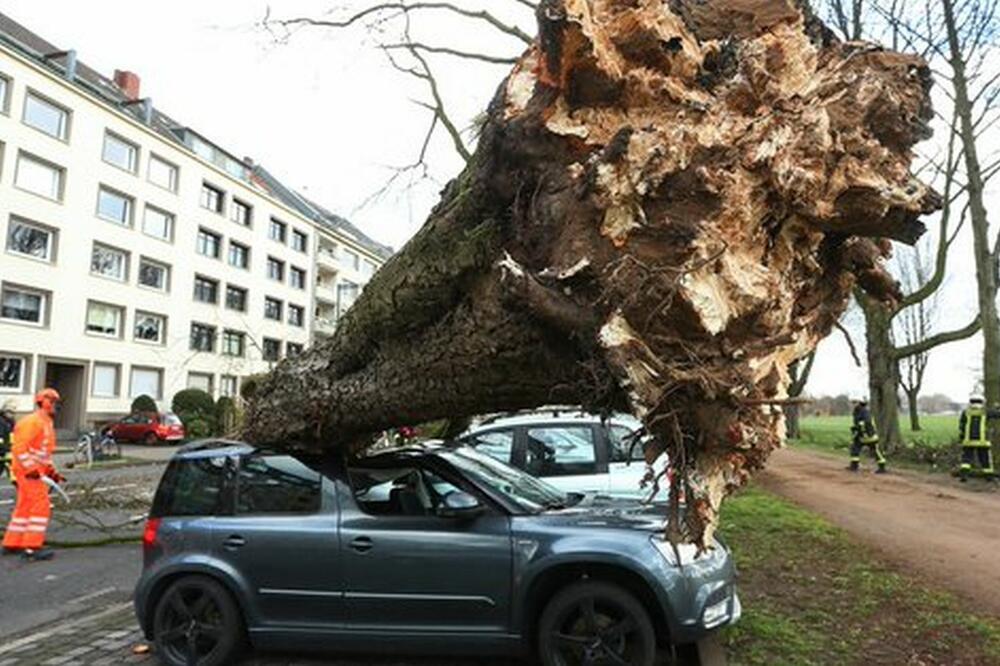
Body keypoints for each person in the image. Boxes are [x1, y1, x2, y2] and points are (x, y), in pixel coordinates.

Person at [1, 388, 64, 561]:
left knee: (25, 507)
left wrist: (52, 472)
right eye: (53, 402)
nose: (56, 407)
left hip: (33, 471)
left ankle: (12, 542)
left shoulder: (45, 422)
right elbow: (19, 448)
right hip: (29, 472)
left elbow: (43, 453)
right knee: (41, 506)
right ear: (44, 402)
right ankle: (31, 547)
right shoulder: (33, 422)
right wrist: (30, 469)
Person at [958, 396, 995, 482]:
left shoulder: (966, 412)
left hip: (968, 441)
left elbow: (962, 426)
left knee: (966, 460)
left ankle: (964, 476)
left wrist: (962, 437)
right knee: (985, 459)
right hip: (982, 441)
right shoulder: (985, 412)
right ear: (982, 402)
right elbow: (997, 414)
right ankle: (989, 477)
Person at [849, 397, 886, 473]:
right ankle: (854, 466)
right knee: (854, 448)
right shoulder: (856, 411)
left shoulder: (864, 411)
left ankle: (882, 467)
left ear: (860, 403)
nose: (853, 404)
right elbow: (858, 423)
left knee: (875, 450)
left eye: (855, 402)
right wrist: (856, 429)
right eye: (852, 402)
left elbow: (867, 422)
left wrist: (858, 428)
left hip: (869, 435)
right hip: (861, 435)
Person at [0, 401, 14, 482]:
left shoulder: (11, 422)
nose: (12, 414)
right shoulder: (1, 422)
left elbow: (13, 435)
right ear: (4, 411)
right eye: (10, 412)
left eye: (13, 412)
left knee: (14, 474)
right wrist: (3, 450)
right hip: (2, 452)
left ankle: (22, 491)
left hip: (8, 452)